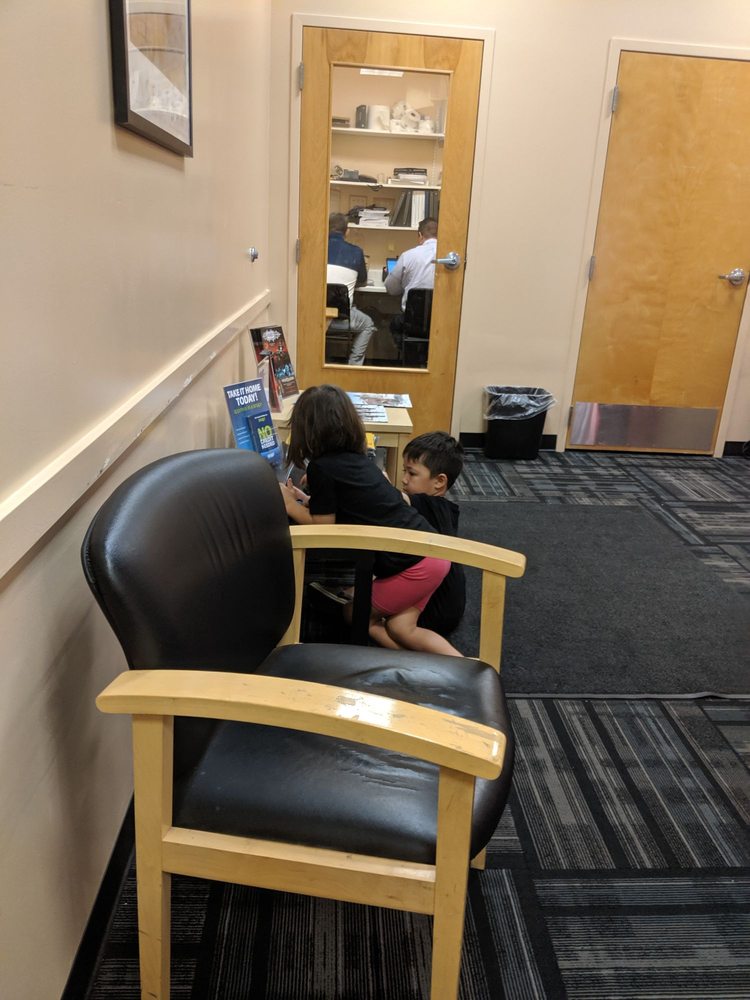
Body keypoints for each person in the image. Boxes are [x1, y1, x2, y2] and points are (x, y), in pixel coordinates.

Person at [279, 384, 461, 656]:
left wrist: (288, 505)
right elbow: (348, 505)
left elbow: (323, 527)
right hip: (432, 553)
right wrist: (305, 499)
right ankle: (454, 665)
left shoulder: (322, 467)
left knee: (355, 614)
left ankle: (426, 665)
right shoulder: (359, 460)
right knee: (401, 628)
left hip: (415, 565)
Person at [400, 431, 466, 638]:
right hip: (448, 602)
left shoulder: (428, 504)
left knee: (362, 617)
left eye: (411, 473)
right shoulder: (446, 509)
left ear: (439, 482)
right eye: (404, 471)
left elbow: (389, 498)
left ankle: (423, 656)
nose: (403, 479)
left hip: (435, 610)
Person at [327, 212, 376, 365]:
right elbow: (362, 281)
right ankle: (353, 366)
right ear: (347, 231)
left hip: (315, 317)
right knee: (368, 324)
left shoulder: (317, 249)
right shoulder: (356, 252)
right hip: (343, 319)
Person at [384, 217, 438, 310]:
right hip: (440, 315)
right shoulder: (448, 257)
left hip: (412, 315)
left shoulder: (408, 256)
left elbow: (391, 289)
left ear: (420, 235)